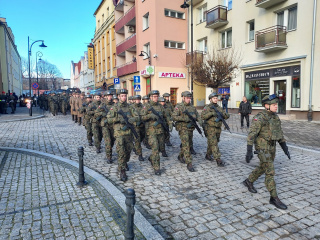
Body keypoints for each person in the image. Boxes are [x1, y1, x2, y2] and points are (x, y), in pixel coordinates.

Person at [243, 94, 291, 210]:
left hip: (272, 147)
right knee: (270, 171)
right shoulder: (260, 117)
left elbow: (279, 134)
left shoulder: (275, 117)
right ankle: (274, 198)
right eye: (273, 105)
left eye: (276, 105)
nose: (276, 107)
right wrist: (249, 151)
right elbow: (251, 134)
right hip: (262, 148)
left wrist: (285, 148)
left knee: (263, 167)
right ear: (266, 106)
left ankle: (249, 181)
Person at [107, 89, 139, 181]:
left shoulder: (130, 107)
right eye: (122, 96)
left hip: (128, 132)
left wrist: (131, 120)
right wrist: (118, 119)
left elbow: (137, 117)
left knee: (128, 150)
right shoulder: (115, 107)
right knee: (121, 151)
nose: (124, 97)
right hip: (119, 133)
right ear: (119, 96)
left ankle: (125, 162)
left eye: (125, 95)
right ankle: (122, 171)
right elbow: (108, 119)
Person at [141, 90, 172, 175]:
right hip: (151, 131)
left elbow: (166, 115)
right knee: (155, 148)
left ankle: (151, 158)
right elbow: (142, 117)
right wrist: (150, 115)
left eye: (157, 96)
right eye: (154, 96)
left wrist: (170, 123)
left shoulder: (161, 106)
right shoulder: (146, 106)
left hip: (160, 130)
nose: (156, 98)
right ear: (150, 97)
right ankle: (156, 167)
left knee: (159, 148)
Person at [172, 91, 202, 172]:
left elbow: (197, 115)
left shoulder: (192, 107)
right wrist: (184, 119)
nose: (189, 99)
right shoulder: (179, 106)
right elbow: (174, 117)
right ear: (183, 98)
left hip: (190, 128)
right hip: (182, 128)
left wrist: (201, 121)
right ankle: (189, 163)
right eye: (187, 98)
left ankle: (180, 156)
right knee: (186, 145)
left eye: (190, 98)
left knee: (187, 143)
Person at [201, 92, 230, 167]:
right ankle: (218, 159)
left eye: (216, 98)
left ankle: (208, 155)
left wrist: (225, 115)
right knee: (214, 143)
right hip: (210, 128)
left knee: (213, 142)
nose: (216, 99)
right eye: (214, 98)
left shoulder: (219, 108)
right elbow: (203, 116)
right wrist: (211, 113)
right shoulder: (207, 107)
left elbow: (226, 116)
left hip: (218, 128)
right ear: (210, 99)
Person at [96, 90, 115, 163]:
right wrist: (103, 114)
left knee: (113, 140)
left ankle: (109, 150)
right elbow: (96, 113)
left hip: (113, 125)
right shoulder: (102, 105)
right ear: (106, 97)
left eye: (111, 96)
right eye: (108, 96)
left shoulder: (114, 105)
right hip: (105, 125)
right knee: (108, 141)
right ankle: (109, 156)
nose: (110, 97)